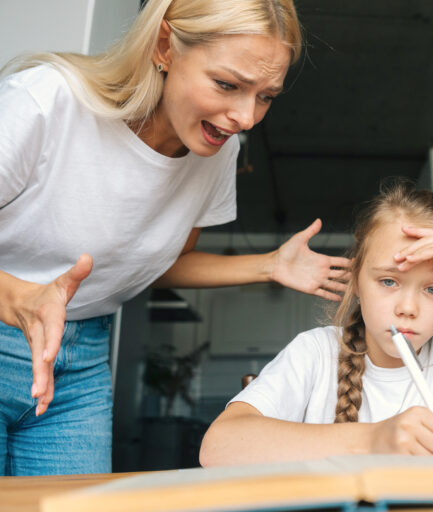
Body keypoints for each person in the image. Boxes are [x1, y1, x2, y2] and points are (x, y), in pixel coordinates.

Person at [0, 0, 350, 476]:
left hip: (80, 362)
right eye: (227, 85)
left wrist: (269, 265)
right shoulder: (47, 101)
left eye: (266, 96)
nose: (245, 117)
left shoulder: (215, 152)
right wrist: (17, 295)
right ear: (164, 45)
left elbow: (159, 263)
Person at [199, 182, 433, 465]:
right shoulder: (316, 353)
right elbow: (217, 447)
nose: (408, 308)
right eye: (389, 281)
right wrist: (374, 439)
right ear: (356, 280)